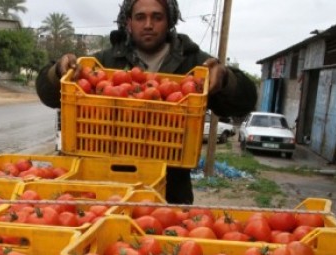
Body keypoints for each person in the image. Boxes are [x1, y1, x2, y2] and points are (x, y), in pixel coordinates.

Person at [36, 0, 257, 204]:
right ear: (128, 21)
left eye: (157, 17)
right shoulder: (105, 61)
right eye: (141, 17)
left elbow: (245, 102)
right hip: (107, 189)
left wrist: (226, 79)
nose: (149, 24)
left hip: (170, 192)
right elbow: (49, 95)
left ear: (169, 20)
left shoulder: (195, 63)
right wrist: (58, 71)